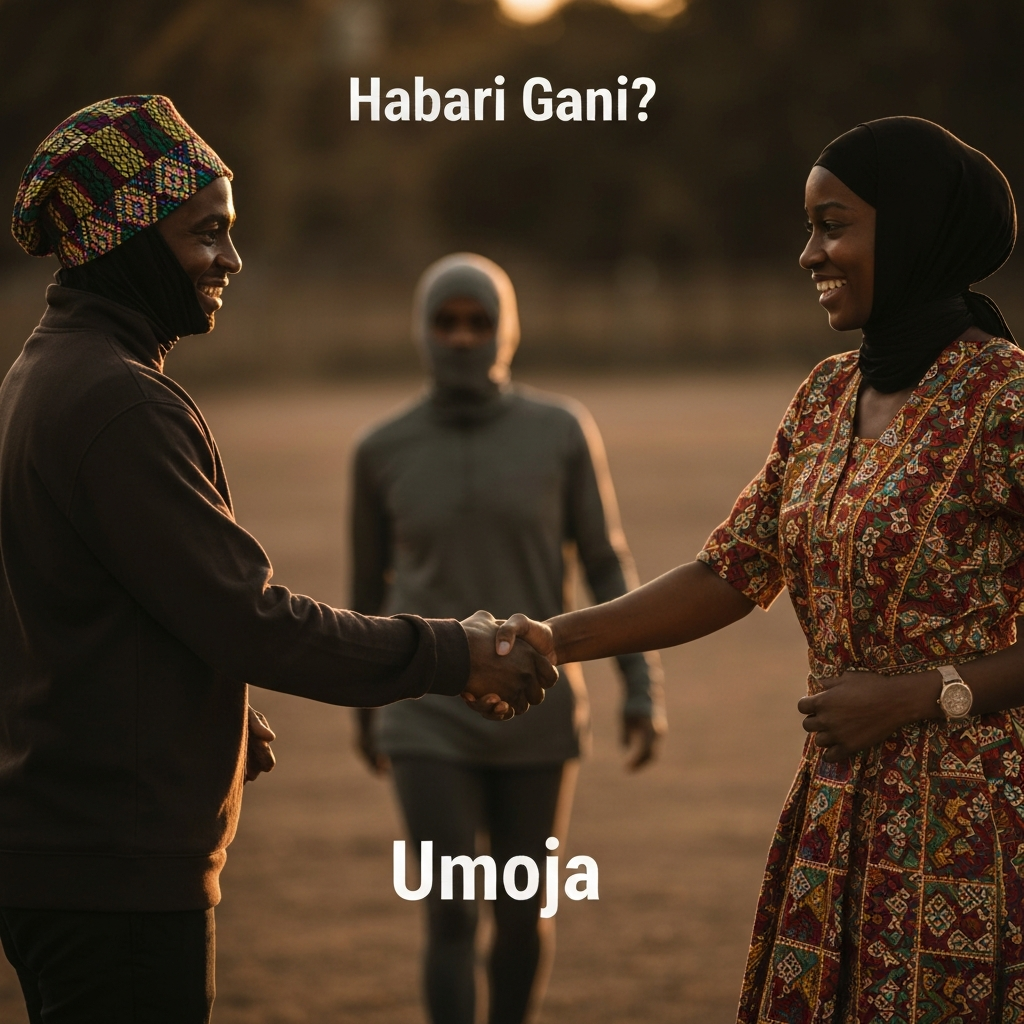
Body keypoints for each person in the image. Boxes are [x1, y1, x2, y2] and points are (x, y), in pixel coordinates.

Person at [0, 95, 555, 1024]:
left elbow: (95, 599)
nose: (232, 259)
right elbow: (253, 620)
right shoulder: (120, 404)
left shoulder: (42, 372)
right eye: (205, 233)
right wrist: (457, 651)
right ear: (127, 241)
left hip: (62, 848)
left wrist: (209, 707)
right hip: (116, 869)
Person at [494, 117, 1024, 1022]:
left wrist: (917, 695)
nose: (808, 251)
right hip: (836, 808)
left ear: (913, 228)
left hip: (972, 826)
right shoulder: (826, 395)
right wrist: (551, 637)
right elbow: (731, 572)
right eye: (809, 226)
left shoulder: (1003, 399)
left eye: (833, 224)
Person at [350, 253, 665, 1024]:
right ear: (422, 330)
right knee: (452, 911)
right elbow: (365, 593)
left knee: (523, 913)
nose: (462, 337)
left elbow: (604, 564)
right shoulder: (380, 449)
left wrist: (641, 684)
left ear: (507, 331)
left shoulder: (559, 431)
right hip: (424, 712)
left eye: (479, 321)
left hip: (541, 707)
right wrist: (365, 709)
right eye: (446, 322)